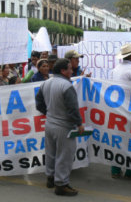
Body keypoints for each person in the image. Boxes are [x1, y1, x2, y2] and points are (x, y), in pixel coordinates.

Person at [35, 58, 84, 196]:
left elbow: (38, 103)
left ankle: (50, 178)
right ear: (63, 71)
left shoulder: (46, 83)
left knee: (51, 153)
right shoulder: (67, 86)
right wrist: (79, 124)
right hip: (64, 126)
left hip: (50, 124)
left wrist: (49, 113)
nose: (71, 70)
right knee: (64, 155)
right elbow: (73, 109)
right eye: (69, 68)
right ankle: (61, 184)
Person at [111, 43, 131, 179]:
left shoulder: (115, 69)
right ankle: (130, 171)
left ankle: (115, 169)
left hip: (117, 108)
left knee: (118, 139)